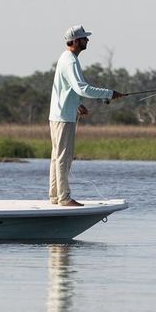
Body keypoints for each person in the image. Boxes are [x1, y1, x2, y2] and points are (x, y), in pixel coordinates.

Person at [49, 25, 126, 206]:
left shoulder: (66, 58)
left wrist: (77, 104)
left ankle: (55, 196)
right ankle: (64, 198)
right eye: (84, 38)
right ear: (75, 41)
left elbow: (68, 89)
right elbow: (82, 88)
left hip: (60, 114)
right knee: (63, 158)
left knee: (57, 156)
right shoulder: (71, 61)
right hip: (63, 117)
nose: (87, 41)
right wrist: (109, 93)